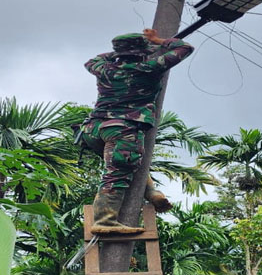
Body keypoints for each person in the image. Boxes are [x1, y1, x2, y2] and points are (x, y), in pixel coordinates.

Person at [80, 28, 194, 234]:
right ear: (141, 52)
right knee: (117, 172)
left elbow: (92, 60)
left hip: (93, 129)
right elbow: (184, 47)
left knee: (127, 162)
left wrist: (119, 53)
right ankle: (104, 221)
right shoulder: (148, 68)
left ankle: (151, 191)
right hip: (122, 129)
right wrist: (158, 41)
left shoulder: (103, 69)